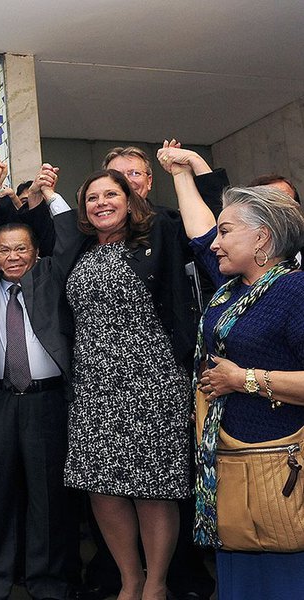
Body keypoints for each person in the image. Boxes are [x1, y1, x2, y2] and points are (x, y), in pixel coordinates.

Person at [162, 146, 304, 600]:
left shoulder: (294, 290)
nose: (215, 242)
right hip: (225, 463)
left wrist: (242, 379)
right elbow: (199, 233)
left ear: (262, 239)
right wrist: (181, 174)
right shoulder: (228, 293)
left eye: (227, 231)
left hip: (280, 468)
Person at [64, 166, 200, 600]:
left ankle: (156, 584)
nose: (101, 203)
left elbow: (202, 231)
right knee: (101, 486)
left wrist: (188, 171)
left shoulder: (157, 235)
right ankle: (129, 579)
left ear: (130, 200)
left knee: (152, 487)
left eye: (111, 195)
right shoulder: (80, 249)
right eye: (92, 198)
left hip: (151, 379)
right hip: (93, 385)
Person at [0, 156, 76, 600]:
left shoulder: (50, 275)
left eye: (21, 249)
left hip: (47, 402)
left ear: (35, 252)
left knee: (48, 497)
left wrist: (49, 196)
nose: (13, 256)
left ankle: (47, 581)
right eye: (5, 250)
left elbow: (68, 239)